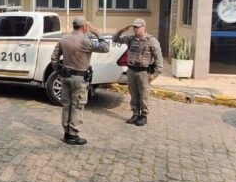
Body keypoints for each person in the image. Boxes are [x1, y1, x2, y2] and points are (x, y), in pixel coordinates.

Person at [51, 16, 110, 145]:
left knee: (66, 105)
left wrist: (59, 71)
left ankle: (66, 133)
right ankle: (73, 135)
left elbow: (54, 58)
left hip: (65, 77)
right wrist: (99, 34)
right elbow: (105, 48)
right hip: (79, 78)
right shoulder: (85, 41)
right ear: (84, 27)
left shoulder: (64, 39)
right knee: (77, 106)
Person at [113, 18, 164, 127]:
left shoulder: (151, 41)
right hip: (131, 71)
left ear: (144, 27)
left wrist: (154, 75)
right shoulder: (130, 39)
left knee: (144, 95)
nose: (136, 29)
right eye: (134, 27)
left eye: (138, 27)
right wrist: (121, 30)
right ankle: (135, 114)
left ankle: (144, 116)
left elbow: (159, 60)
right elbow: (115, 39)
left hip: (144, 72)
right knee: (133, 94)